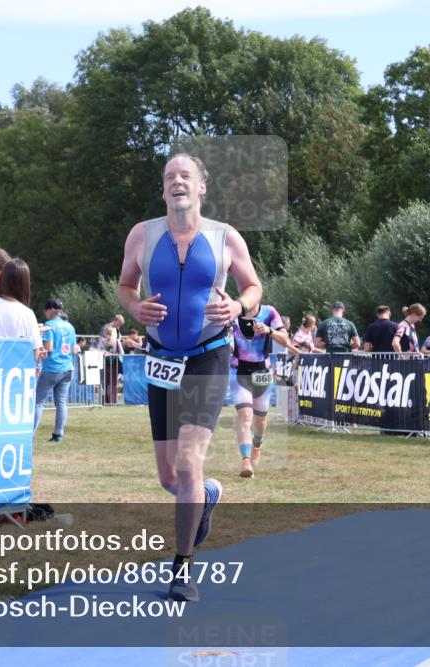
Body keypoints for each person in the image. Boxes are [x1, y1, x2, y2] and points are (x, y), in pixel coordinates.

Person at [117, 153, 261, 602]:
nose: (176, 182)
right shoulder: (143, 234)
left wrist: (238, 307)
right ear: (163, 190)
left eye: (185, 176)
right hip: (161, 357)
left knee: (188, 461)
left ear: (202, 186)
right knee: (169, 477)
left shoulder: (225, 237)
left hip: (208, 355)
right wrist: (134, 307)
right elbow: (125, 285)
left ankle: (182, 568)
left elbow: (254, 289)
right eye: (169, 177)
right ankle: (209, 494)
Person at [229, 302, 289, 478]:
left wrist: (270, 331)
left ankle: (257, 445)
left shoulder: (269, 312)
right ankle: (246, 461)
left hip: (263, 371)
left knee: (260, 417)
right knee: (245, 415)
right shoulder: (233, 313)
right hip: (238, 370)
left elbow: (285, 340)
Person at [34, 298, 78, 443]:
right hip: (67, 368)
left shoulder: (49, 325)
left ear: (50, 310)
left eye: (45, 311)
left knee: (38, 402)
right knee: (61, 402)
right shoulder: (70, 326)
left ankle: (30, 435)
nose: (45, 314)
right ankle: (58, 434)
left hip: (52, 368)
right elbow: (73, 349)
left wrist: (39, 347)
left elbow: (49, 348)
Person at [99, 314, 125, 404]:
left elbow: (118, 343)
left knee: (113, 382)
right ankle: (107, 400)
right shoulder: (106, 328)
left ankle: (112, 400)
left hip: (114, 360)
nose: (120, 326)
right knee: (106, 382)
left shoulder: (117, 330)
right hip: (106, 361)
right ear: (116, 320)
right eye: (119, 323)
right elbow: (101, 343)